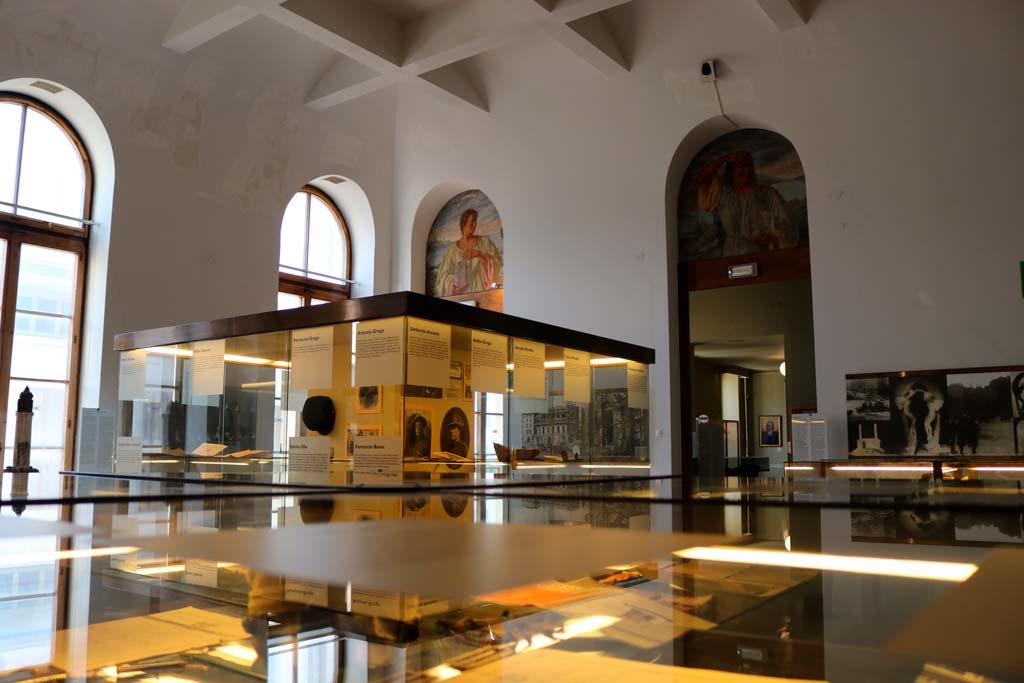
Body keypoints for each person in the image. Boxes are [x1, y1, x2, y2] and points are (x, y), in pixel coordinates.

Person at [696, 150, 797, 257]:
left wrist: (772, 237)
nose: (746, 170)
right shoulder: (724, 194)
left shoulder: (768, 194)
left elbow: (788, 226)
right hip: (731, 255)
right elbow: (703, 179)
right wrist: (725, 158)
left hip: (762, 255)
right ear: (731, 170)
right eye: (740, 165)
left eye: (748, 165)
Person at [435, 208, 502, 297]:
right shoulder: (452, 250)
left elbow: (497, 263)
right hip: (461, 298)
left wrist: (480, 255)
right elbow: (443, 275)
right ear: (463, 224)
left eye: (475, 222)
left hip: (482, 295)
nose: (474, 225)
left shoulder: (485, 243)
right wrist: (451, 285)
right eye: (471, 222)